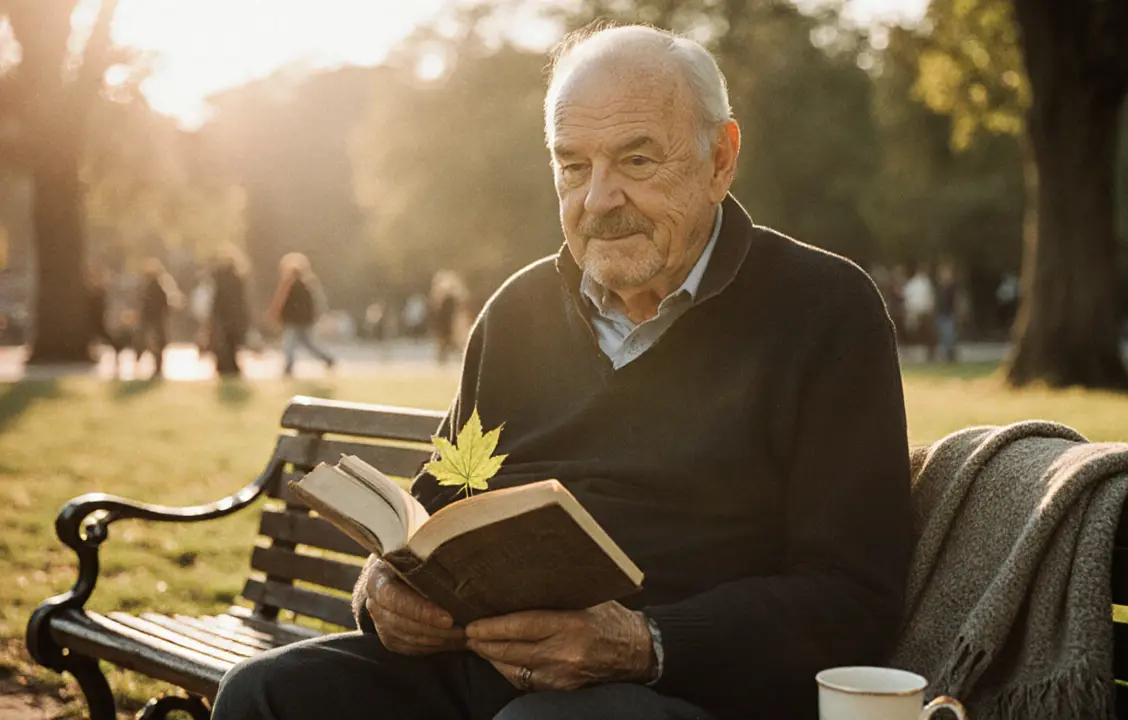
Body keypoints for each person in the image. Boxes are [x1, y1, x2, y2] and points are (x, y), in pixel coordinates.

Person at [212, 25, 911, 720]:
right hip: (472, 671)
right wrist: (381, 591)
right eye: (573, 166)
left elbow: (852, 594)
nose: (598, 200)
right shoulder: (517, 313)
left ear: (720, 159)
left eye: (636, 161)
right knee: (263, 695)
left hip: (682, 688)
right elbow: (442, 497)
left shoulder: (825, 312)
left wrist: (644, 642)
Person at [268, 253, 336, 376]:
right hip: (302, 320)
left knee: (290, 344)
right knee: (308, 343)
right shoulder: (307, 285)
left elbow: (283, 303)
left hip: (294, 321)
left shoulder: (291, 286)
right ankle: (327, 359)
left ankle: (289, 367)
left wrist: (279, 316)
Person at [135, 259, 184, 380]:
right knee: (157, 345)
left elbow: (146, 305)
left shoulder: (150, 287)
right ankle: (156, 368)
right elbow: (167, 305)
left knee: (151, 343)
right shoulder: (162, 286)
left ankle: (150, 366)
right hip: (158, 320)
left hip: (152, 320)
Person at [209, 250, 250, 378]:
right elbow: (242, 300)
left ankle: (225, 367)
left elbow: (217, 299)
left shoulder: (219, 278)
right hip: (234, 316)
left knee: (223, 343)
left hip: (223, 316)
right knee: (232, 344)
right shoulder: (238, 278)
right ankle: (231, 368)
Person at [933, 263, 959, 363]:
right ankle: (947, 356)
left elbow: (956, 301)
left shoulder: (953, 287)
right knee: (944, 336)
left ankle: (951, 355)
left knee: (950, 335)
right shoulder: (940, 288)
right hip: (941, 314)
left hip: (949, 314)